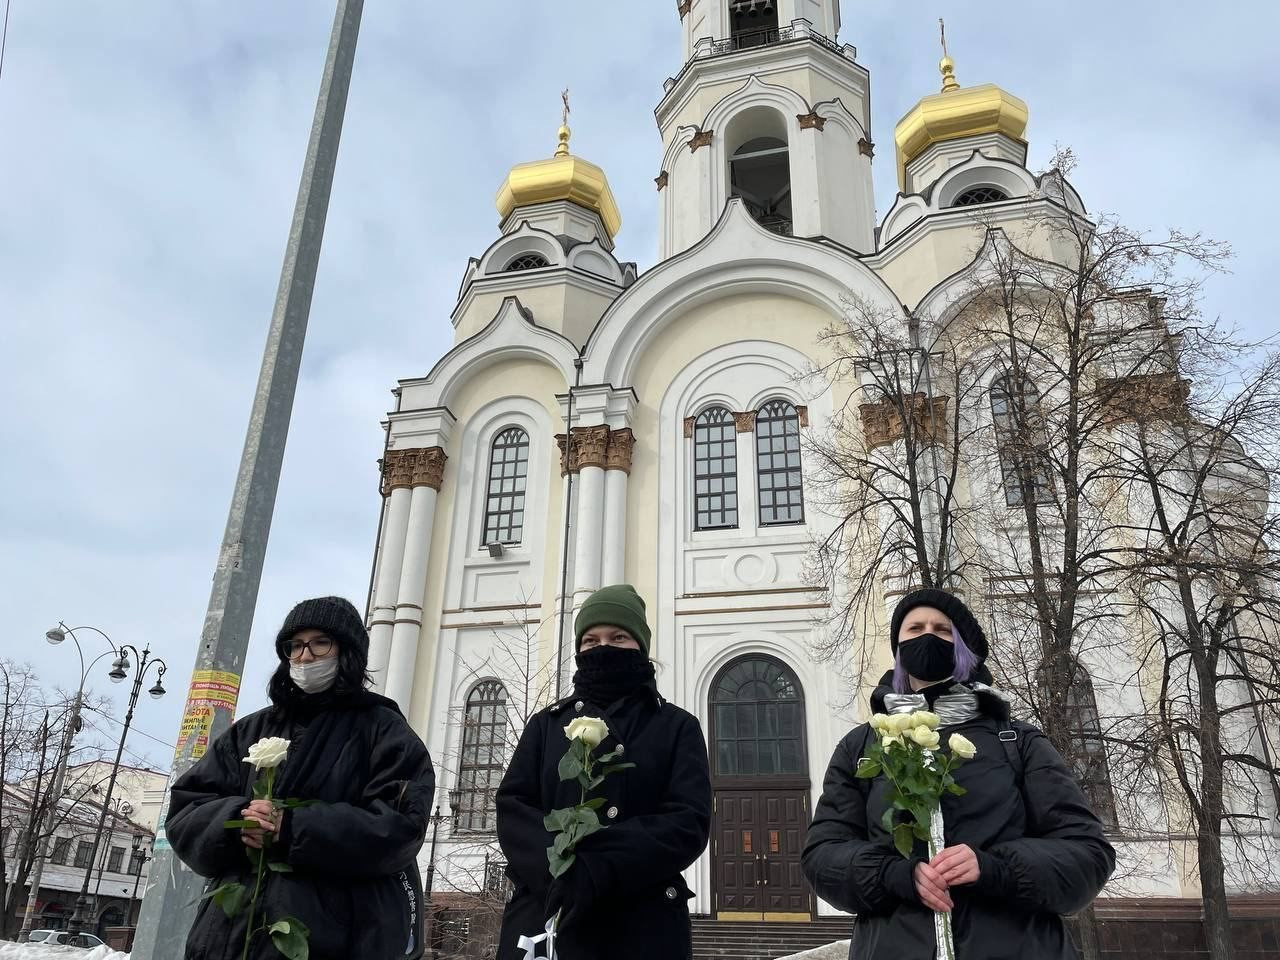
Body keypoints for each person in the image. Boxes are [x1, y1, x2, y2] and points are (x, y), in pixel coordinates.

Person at [802, 587, 1116, 960]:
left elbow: (1088, 854)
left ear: (963, 646)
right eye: (914, 629)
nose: (928, 636)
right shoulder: (863, 747)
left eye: (942, 629)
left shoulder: (1017, 741)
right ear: (899, 648)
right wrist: (895, 875)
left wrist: (994, 868)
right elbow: (823, 856)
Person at [167, 596, 435, 960]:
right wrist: (236, 822)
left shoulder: (384, 731)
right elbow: (188, 808)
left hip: (335, 939)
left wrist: (291, 826)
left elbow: (399, 826)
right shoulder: (250, 730)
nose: (305, 656)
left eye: (320, 643)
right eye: (295, 646)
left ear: (348, 651)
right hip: (229, 939)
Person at [495, 584, 712, 960]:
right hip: (550, 916)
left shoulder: (677, 726)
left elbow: (686, 821)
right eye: (591, 640)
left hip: (643, 925)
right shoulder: (547, 726)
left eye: (619, 636)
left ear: (641, 645)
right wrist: (560, 872)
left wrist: (598, 867)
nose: (603, 647)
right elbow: (514, 809)